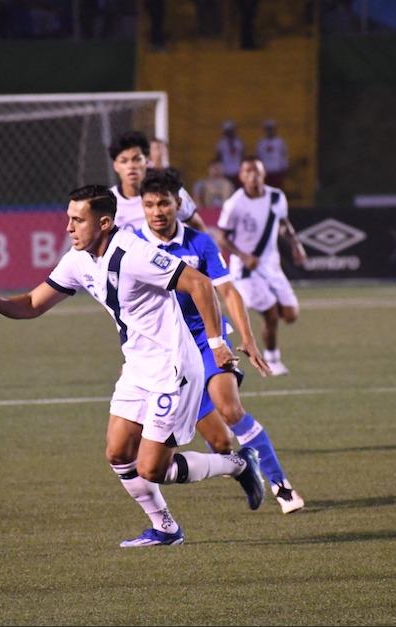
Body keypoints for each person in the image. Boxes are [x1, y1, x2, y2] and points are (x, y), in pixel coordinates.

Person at [0, 184, 265, 547]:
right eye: (68, 218)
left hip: (172, 370)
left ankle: (237, 464)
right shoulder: (78, 258)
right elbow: (33, 303)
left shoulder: (135, 253)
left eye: (77, 220)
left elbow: (200, 285)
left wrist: (217, 343)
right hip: (137, 368)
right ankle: (166, 529)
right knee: (117, 454)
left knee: (152, 469)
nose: (68, 227)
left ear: (105, 222)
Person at [139, 169, 305, 513]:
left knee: (229, 407)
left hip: (206, 339)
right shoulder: (133, 245)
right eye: (150, 205)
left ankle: (282, 486)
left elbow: (227, 290)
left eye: (164, 203)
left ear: (178, 204)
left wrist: (246, 338)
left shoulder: (199, 243)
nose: (158, 211)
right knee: (219, 441)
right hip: (166, 353)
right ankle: (246, 466)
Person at [213, 156, 307, 376]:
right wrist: (243, 256)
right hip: (246, 270)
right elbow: (222, 237)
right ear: (241, 176)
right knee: (271, 314)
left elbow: (283, 223)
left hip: (271, 265)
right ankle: (273, 360)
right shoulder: (234, 203)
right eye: (248, 172)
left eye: (257, 172)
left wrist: (296, 245)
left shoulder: (276, 197)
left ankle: (260, 308)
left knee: (291, 314)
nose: (253, 176)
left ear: (264, 174)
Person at [108, 130, 206, 233]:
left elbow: (198, 226)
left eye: (137, 159)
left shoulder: (170, 190)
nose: (131, 166)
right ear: (115, 165)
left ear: (146, 161)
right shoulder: (108, 201)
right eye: (124, 161)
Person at [256, 119, 289, 189]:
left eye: (271, 129)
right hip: (265, 171)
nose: (270, 131)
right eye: (268, 129)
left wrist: (284, 167)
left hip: (277, 170)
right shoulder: (261, 143)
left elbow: (284, 155)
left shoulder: (280, 142)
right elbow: (259, 157)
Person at [214, 120, 244, 188]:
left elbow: (242, 157)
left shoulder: (239, 142)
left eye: (230, 131)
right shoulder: (221, 143)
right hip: (225, 171)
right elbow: (218, 158)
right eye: (228, 131)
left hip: (237, 171)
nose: (229, 133)